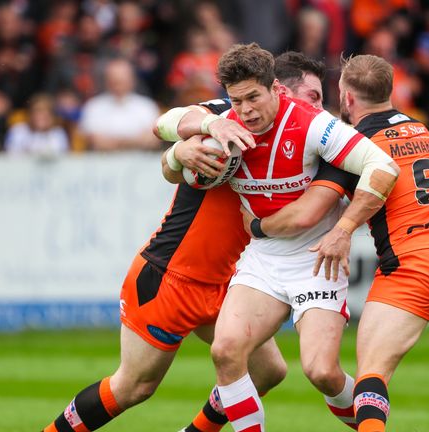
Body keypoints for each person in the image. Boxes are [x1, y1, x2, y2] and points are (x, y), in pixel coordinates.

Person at [41, 50, 347, 432]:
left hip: (227, 281)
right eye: (314, 97)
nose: (321, 107)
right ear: (280, 90)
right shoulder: (233, 117)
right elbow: (167, 122)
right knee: (134, 387)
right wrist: (183, 146)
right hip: (170, 274)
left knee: (268, 371)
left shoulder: (313, 138)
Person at [254, 55, 429, 432]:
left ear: (347, 98)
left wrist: (259, 226)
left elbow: (310, 212)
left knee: (372, 375)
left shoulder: (352, 144)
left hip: (415, 260)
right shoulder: (420, 129)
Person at [156, 43, 399, 432]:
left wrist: (344, 230)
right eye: (237, 101)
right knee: (225, 350)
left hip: (316, 258)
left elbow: (382, 166)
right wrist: (204, 129)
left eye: (254, 97)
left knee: (321, 372)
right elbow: (163, 124)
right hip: (264, 258)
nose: (246, 110)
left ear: (275, 89)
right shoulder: (226, 119)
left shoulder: (313, 124)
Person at [78, 58, 160, 151]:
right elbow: (93, 141)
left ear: (132, 80)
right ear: (107, 81)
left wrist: (116, 142)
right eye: (114, 81)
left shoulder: (147, 106)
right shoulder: (93, 106)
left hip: (141, 161)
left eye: (122, 80)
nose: (118, 85)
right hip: (102, 162)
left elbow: (153, 140)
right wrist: (135, 141)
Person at [5, 94, 70, 156]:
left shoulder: (58, 133)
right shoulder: (18, 131)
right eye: (38, 111)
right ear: (30, 114)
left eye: (46, 113)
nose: (41, 116)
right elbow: (11, 157)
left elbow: (63, 158)